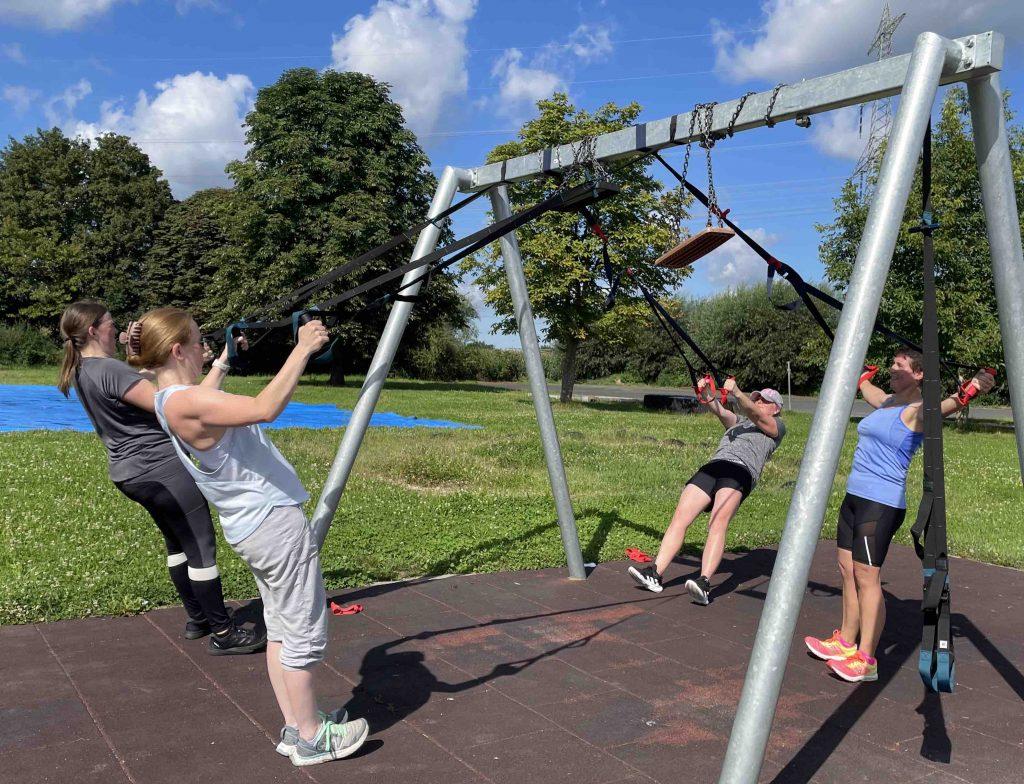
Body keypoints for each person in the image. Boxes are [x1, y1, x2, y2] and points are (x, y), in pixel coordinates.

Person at [133, 306, 368, 766]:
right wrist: (303, 349)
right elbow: (265, 408)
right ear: (177, 350)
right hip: (273, 524)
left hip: (252, 526)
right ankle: (313, 738)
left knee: (279, 629)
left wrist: (224, 361)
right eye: (199, 342)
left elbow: (201, 397)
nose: (204, 349)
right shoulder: (184, 403)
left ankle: (296, 726)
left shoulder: (167, 399)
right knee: (302, 631)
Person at [58, 300, 264, 654]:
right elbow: (179, 405)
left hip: (130, 473)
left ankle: (199, 618)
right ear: (93, 330)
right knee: (200, 546)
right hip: (161, 470)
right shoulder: (110, 370)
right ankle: (223, 632)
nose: (117, 328)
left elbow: (146, 385)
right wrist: (222, 362)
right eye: (111, 323)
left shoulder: (83, 369)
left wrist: (143, 354)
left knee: (177, 544)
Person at [804, 353, 995, 683]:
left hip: (881, 503)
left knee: (867, 577)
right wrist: (861, 375)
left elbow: (948, 405)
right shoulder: (888, 402)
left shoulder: (917, 410)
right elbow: (870, 391)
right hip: (855, 497)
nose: (892, 369)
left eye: (900, 366)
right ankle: (846, 642)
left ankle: (866, 660)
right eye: (892, 365)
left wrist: (973, 388)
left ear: (919, 374)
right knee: (847, 570)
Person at [629, 377, 786, 605]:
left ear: (776, 408)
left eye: (765, 401)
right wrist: (706, 392)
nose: (759, 402)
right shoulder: (740, 422)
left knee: (717, 523)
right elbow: (720, 411)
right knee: (680, 517)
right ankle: (655, 572)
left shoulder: (777, 427)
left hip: (740, 471)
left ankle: (703, 583)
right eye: (757, 398)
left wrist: (738, 393)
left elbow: (758, 416)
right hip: (714, 466)